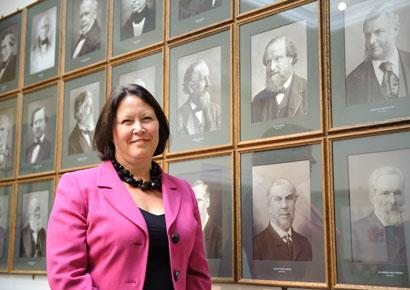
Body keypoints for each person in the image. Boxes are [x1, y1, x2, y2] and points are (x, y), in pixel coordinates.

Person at [47, 84, 211, 290]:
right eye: (127, 121)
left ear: (159, 126)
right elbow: (66, 277)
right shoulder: (77, 187)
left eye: (147, 119)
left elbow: (198, 274)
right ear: (111, 133)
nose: (139, 128)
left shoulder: (184, 191)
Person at [346, 4, 410, 106]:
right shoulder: (351, 82)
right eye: (368, 35)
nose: (371, 41)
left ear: (395, 30)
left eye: (378, 32)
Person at [352, 166, 407, 264]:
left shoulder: (407, 228)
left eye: (397, 193)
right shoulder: (356, 230)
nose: (393, 200)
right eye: (386, 193)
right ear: (372, 198)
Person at [251, 35, 307, 123]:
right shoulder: (257, 100)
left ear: (290, 59)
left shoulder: (309, 91)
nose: (272, 67)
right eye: (268, 61)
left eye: (277, 59)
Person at [253, 178, 312, 261]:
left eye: (289, 198)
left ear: (295, 203)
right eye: (278, 199)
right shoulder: (256, 245)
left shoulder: (305, 243)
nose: (284, 205)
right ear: (269, 206)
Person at [177, 59, 221, 136]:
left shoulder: (217, 110)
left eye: (208, 78)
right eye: (204, 79)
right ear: (191, 87)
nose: (209, 84)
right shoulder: (178, 117)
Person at [192, 179, 222, 259]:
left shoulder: (219, 235)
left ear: (207, 202)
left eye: (198, 200)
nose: (194, 206)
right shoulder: (186, 232)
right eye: (191, 201)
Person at [68, 90, 95, 155]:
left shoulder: (95, 135)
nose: (92, 110)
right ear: (79, 111)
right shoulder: (71, 142)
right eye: (88, 106)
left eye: (92, 105)